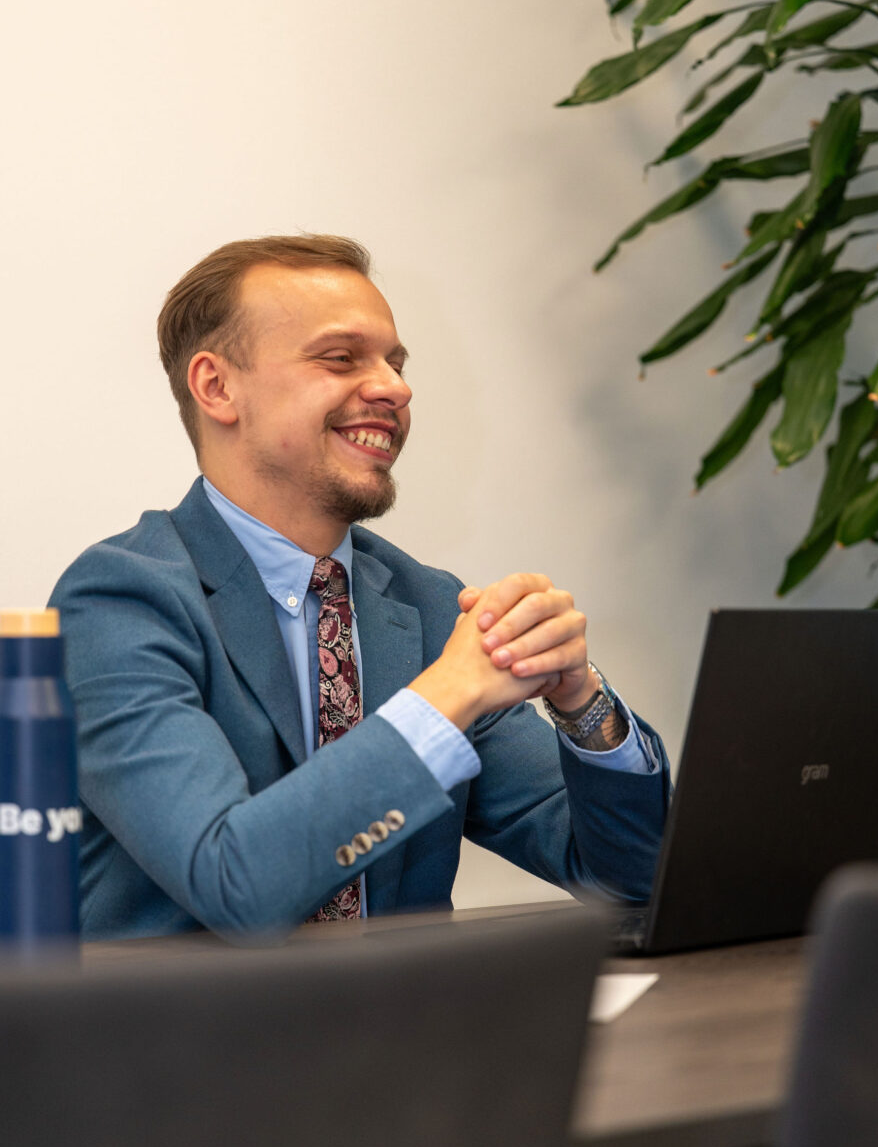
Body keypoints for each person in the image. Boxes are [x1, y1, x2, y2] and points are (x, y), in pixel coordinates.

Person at [50, 234, 671, 942]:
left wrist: (584, 706)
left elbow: (634, 882)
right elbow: (234, 885)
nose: (396, 389)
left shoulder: (427, 606)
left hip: (405, 1011)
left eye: (395, 364)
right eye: (341, 358)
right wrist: (447, 696)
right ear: (217, 387)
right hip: (196, 1015)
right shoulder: (119, 601)